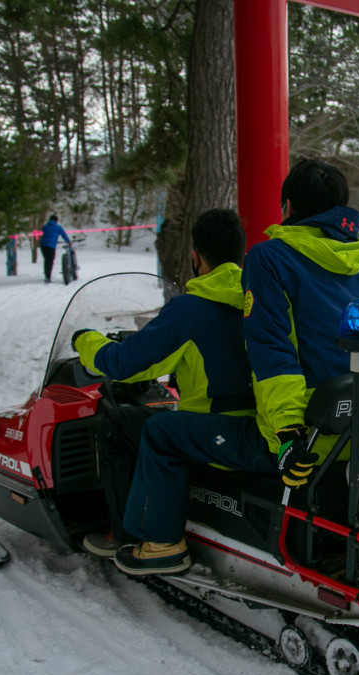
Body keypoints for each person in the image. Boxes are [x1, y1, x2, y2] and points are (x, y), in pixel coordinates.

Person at [72, 208, 274, 575]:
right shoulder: (259, 302)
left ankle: (137, 536)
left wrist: (86, 340)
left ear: (195, 257)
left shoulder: (191, 310)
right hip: (262, 424)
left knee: (119, 424)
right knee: (159, 421)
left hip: (218, 430)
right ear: (241, 256)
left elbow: (124, 364)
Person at [241, 158, 359, 489]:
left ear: (288, 206)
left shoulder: (269, 259)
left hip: (308, 440)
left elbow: (271, 348)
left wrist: (289, 434)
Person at [39, 214, 71, 283]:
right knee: (50, 261)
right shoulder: (58, 227)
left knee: (46, 261)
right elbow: (63, 235)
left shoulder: (45, 227)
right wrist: (69, 241)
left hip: (43, 246)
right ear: (56, 221)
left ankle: (47, 276)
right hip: (51, 246)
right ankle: (48, 277)